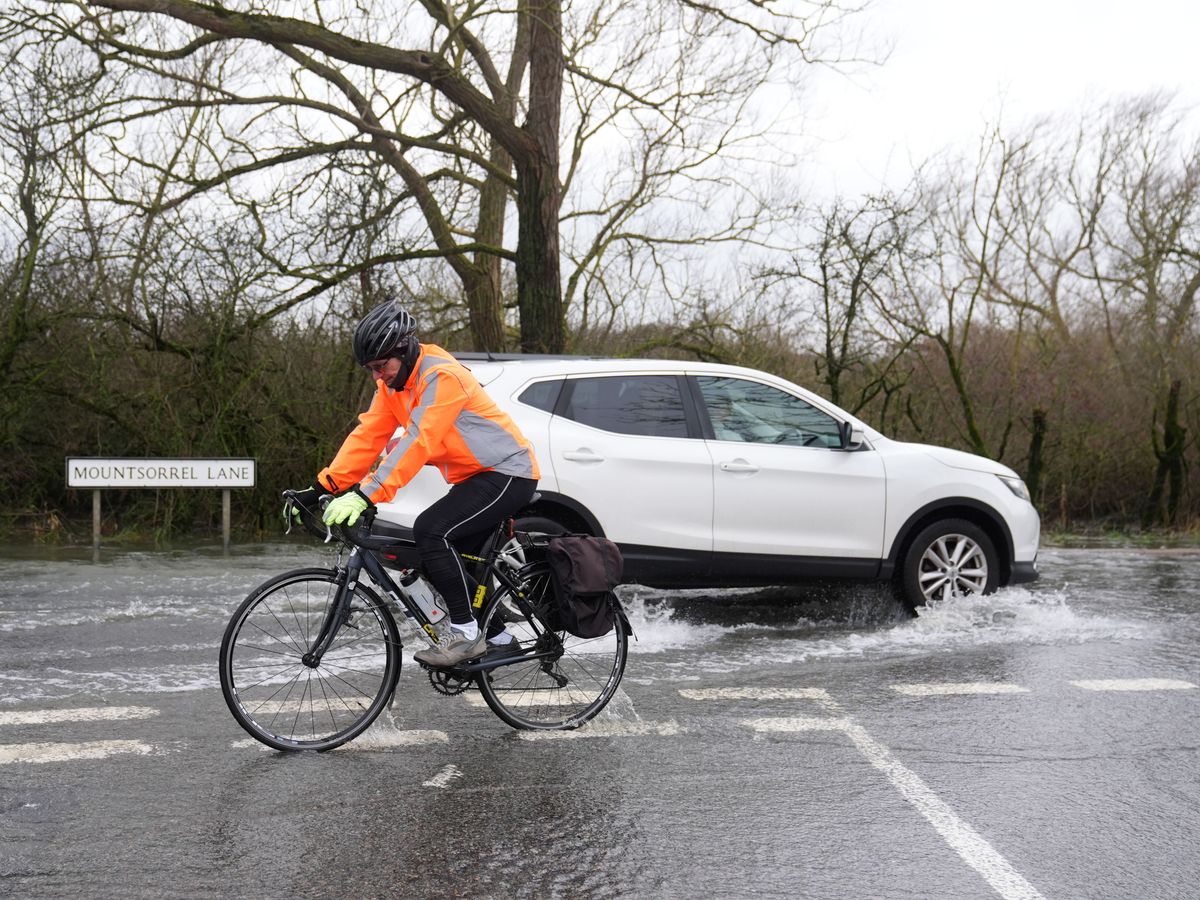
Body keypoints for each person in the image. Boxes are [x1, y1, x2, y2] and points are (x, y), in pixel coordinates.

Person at [290, 300, 540, 667]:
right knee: (438, 559)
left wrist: (365, 494)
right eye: (371, 370)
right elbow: (368, 436)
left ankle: (467, 637)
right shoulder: (393, 388)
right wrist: (321, 488)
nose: (378, 376)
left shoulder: (441, 376)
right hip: (473, 476)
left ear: (403, 351)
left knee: (431, 532)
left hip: (508, 472)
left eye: (381, 366)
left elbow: (418, 441)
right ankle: (501, 638)